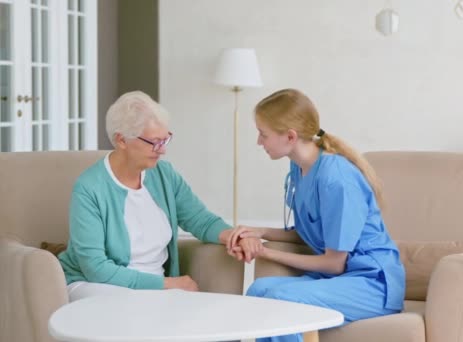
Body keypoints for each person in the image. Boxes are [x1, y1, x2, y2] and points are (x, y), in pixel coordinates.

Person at [227, 88, 406, 342]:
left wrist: (264, 251)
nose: (259, 142)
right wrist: (260, 232)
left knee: (281, 301)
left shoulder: (337, 179)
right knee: (258, 289)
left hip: (371, 284)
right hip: (339, 278)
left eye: (263, 134)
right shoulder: (300, 167)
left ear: (290, 136)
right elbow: (311, 231)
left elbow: (335, 262)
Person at [58, 91, 260, 302]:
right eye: (154, 142)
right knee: (133, 312)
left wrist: (234, 235)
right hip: (96, 285)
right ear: (122, 140)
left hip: (155, 287)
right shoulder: (90, 188)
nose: (162, 150)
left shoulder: (164, 174)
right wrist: (168, 284)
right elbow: (96, 268)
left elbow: (199, 219)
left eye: (165, 140)